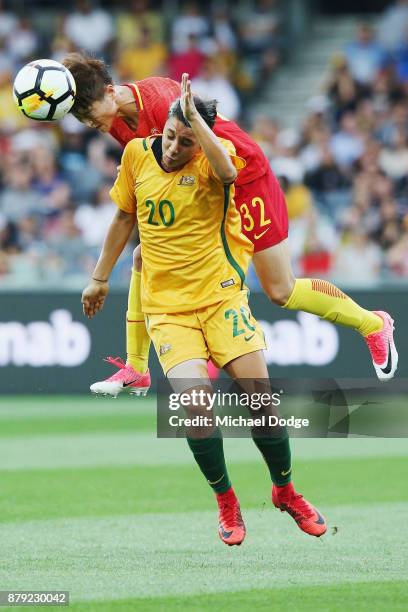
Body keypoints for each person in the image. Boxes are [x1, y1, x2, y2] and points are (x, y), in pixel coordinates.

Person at [63, 52, 398, 397]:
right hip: (204, 187)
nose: (90, 124)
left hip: (244, 178)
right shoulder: (120, 120)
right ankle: (137, 366)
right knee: (144, 257)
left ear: (108, 90)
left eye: (88, 115)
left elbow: (210, 162)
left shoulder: (162, 104)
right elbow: (158, 166)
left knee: (281, 289)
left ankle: (373, 324)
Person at [82, 75, 327, 545]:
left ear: (202, 143)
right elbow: (122, 217)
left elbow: (231, 172)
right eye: (171, 136)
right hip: (169, 311)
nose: (174, 148)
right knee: (196, 409)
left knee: (263, 406)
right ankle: (227, 502)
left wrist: (197, 125)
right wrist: (99, 277)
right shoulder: (137, 155)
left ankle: (286, 491)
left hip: (221, 299)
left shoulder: (216, 163)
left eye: (186, 141)